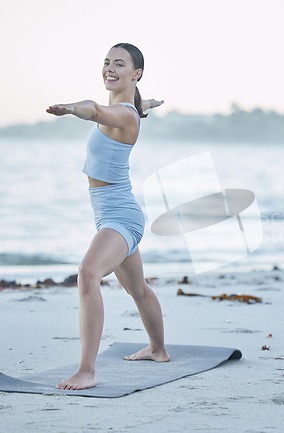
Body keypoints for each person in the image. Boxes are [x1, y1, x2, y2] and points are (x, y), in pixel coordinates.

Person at [47, 43, 170, 390]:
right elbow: (131, 107)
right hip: (113, 216)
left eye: (119, 63)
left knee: (87, 274)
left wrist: (73, 108)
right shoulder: (130, 108)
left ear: (136, 73)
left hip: (120, 218)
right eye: (106, 62)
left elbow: (97, 111)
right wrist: (150, 103)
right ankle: (158, 349)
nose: (109, 68)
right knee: (137, 289)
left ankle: (87, 370)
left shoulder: (123, 114)